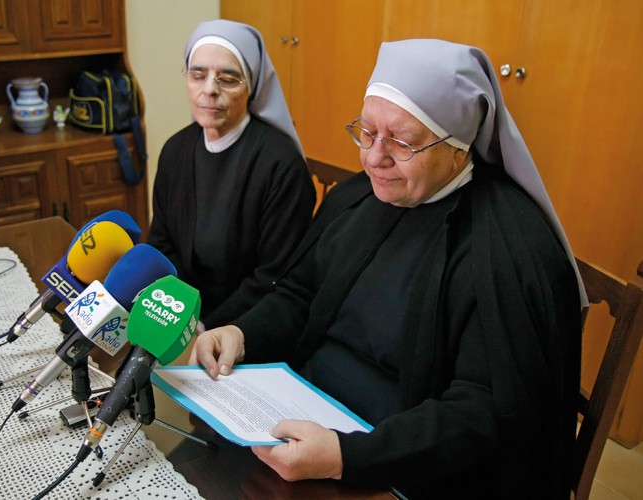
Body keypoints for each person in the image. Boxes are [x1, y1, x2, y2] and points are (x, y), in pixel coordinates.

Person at [189, 39, 585, 499]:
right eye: (367, 132)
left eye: (401, 141)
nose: (374, 158)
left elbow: (485, 412)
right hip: (295, 422)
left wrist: (348, 457)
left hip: (400, 467)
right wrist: (241, 333)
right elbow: (299, 295)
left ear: (457, 145)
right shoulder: (358, 198)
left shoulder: (509, 252)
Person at [147, 20, 316, 331]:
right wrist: (180, 316)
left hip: (243, 328)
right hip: (179, 318)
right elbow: (161, 243)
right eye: (198, 75)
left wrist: (208, 326)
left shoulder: (281, 166)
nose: (209, 90)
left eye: (228, 79)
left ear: (251, 85)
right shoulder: (175, 150)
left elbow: (273, 275)